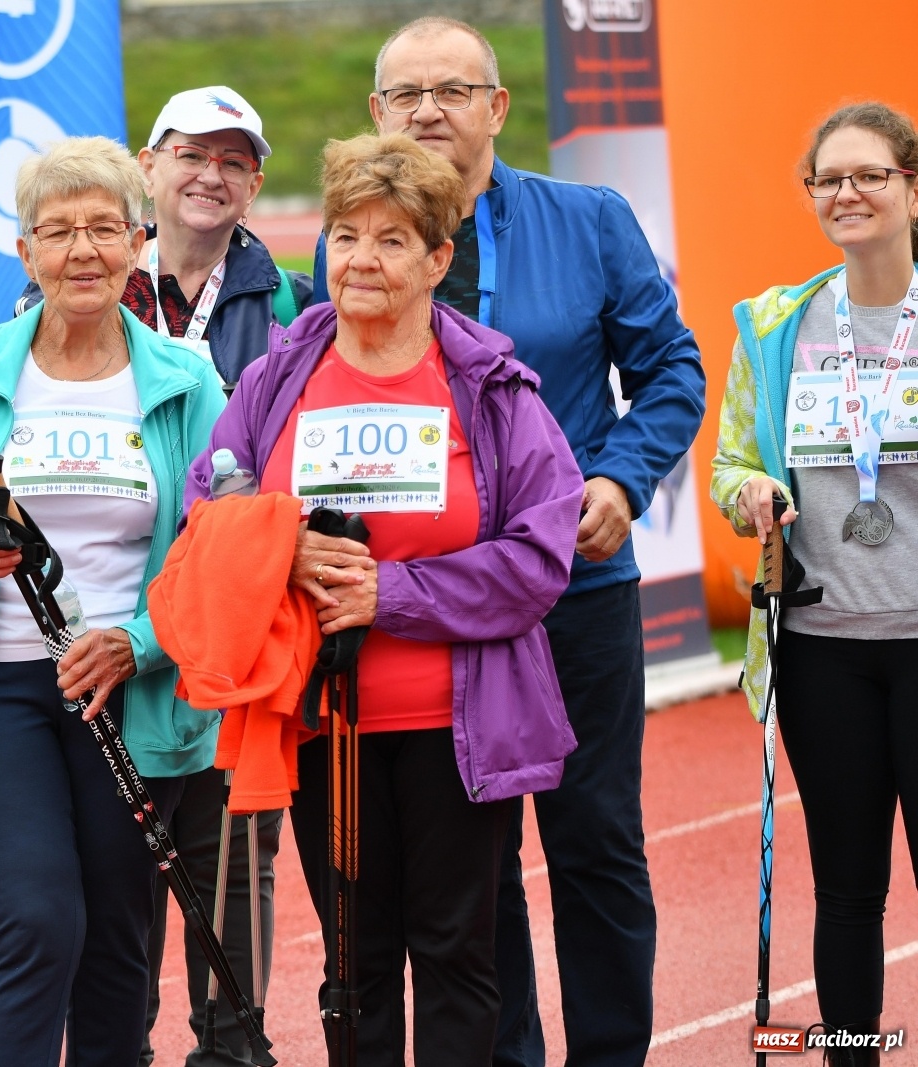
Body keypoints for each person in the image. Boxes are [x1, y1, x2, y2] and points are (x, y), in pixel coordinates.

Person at [309, 18, 707, 1065]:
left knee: (594, 841)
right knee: (469, 870)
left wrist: (622, 476)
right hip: (436, 604)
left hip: (571, 587)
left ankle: (612, 1052)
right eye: (405, 94)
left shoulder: (589, 219)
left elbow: (669, 368)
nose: (428, 110)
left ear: (497, 106)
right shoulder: (349, 240)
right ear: (376, 114)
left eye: (452, 89)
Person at [191, 130, 582, 1065]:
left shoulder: (488, 384)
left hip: (461, 725)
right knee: (352, 964)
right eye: (346, 233)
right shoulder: (276, 376)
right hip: (326, 721)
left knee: (456, 954)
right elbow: (211, 508)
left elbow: (540, 554)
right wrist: (279, 554)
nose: (361, 258)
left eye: (393, 239)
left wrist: (391, 591)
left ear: (439, 258)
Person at [0, 135, 226, 1067]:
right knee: (36, 918)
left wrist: (137, 642)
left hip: (131, 694)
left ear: (140, 242)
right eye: (56, 231)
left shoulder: (186, 383)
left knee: (118, 939)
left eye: (104, 228)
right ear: (25, 251)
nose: (82, 251)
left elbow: (222, 551)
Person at [18, 84, 311, 1067]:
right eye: (192, 152)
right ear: (150, 166)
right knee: (125, 871)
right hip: (121, 641)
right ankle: (123, 1042)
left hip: (242, 625)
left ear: (255, 181)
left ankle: (230, 1047)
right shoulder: (74, 288)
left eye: (234, 159)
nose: (210, 174)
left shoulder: (291, 300)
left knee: (237, 858)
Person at [712, 101, 918, 1067]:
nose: (848, 193)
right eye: (828, 179)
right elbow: (730, 465)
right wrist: (750, 488)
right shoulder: (774, 322)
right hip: (825, 647)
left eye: (870, 175)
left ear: (910, 187)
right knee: (845, 891)